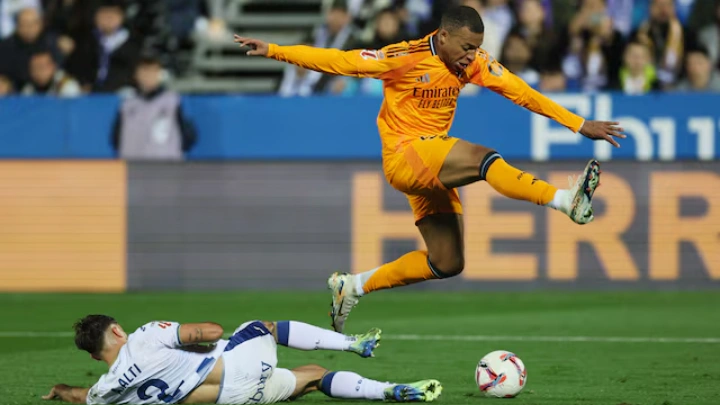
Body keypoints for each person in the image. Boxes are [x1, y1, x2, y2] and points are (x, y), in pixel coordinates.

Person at [234, 5, 625, 333]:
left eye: (478, 49)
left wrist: (578, 123)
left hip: (432, 164)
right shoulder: (404, 57)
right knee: (482, 158)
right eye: (468, 47)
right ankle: (563, 200)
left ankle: (351, 286)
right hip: (405, 157)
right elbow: (341, 61)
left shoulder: (472, 65)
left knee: (447, 262)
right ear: (445, 35)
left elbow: (522, 92)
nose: (473, 56)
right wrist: (274, 49)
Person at [42, 316, 441, 404]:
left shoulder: (105, 392)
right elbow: (209, 333)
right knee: (261, 325)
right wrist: (197, 336)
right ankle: (353, 343)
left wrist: (61, 390)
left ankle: (390, 391)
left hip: (233, 400)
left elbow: (81, 397)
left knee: (312, 377)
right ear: (115, 331)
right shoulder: (144, 336)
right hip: (239, 368)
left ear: (95, 355)